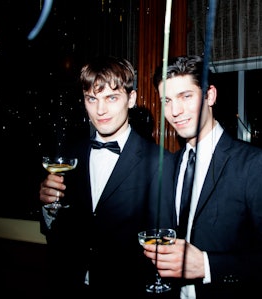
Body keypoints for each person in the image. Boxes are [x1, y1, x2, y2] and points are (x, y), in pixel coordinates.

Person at [143, 55, 262, 299]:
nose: (175, 111)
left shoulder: (255, 165)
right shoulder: (170, 164)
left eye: (186, 97)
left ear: (210, 96)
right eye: (166, 101)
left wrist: (207, 265)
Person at [39, 56, 175, 298]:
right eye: (92, 99)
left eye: (111, 98)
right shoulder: (71, 157)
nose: (100, 110)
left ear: (130, 99)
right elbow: (58, 234)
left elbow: (163, 245)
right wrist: (49, 208)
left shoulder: (159, 162)